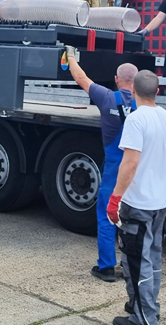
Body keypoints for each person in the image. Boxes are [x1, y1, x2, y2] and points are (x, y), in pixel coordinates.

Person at [106, 70, 166, 325]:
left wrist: (115, 198)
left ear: (133, 91)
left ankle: (143, 318)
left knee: (136, 262)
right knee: (153, 258)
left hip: (138, 204)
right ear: (158, 91)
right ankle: (147, 306)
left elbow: (130, 163)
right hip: (162, 202)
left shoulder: (136, 120)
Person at [64, 45, 138, 283]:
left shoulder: (107, 98)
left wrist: (71, 55)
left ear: (116, 80)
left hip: (114, 168)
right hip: (137, 168)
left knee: (108, 215)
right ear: (136, 82)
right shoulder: (144, 105)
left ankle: (106, 267)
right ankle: (131, 267)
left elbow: (80, 77)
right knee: (133, 217)